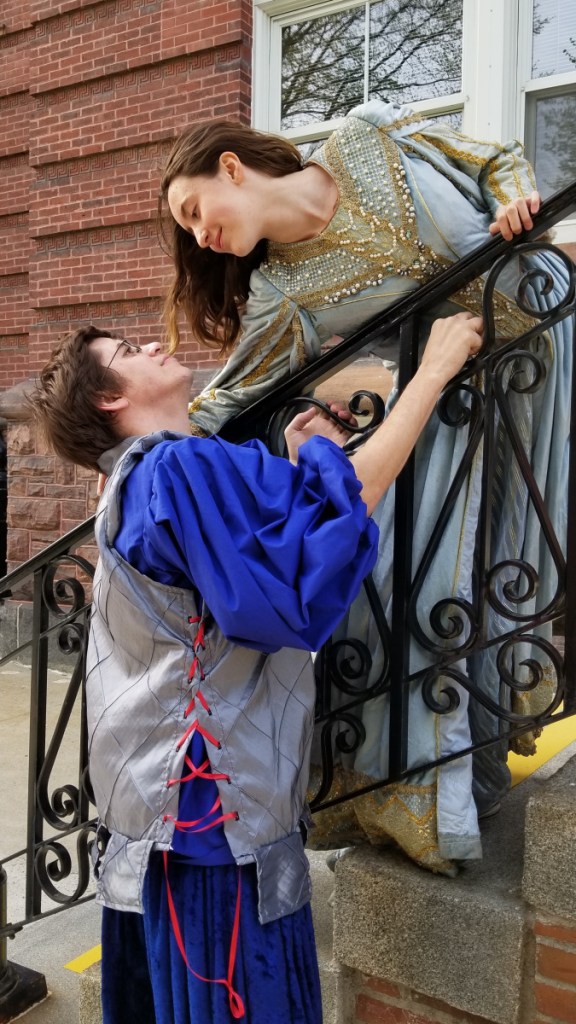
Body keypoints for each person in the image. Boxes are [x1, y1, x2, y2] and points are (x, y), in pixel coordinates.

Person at [30, 313, 482, 1024]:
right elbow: (296, 581)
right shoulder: (175, 467)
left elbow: (284, 529)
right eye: (126, 350)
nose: (151, 343)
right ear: (108, 400)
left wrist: (306, 460)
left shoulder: (141, 480)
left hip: (173, 814)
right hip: (212, 818)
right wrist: (429, 374)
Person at [157, 99, 573, 873]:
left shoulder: (368, 133)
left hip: (561, 332)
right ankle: (424, 791)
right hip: (477, 399)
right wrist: (145, 447)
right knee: (428, 581)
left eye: (193, 209)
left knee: (540, 549)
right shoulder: (282, 297)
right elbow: (227, 401)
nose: (198, 233)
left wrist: (516, 196)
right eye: (189, 230)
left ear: (231, 166)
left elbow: (491, 159)